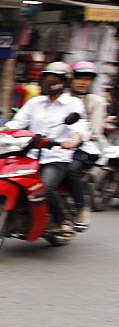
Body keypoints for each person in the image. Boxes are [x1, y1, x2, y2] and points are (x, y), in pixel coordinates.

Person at [0, 62, 88, 239]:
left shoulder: (73, 103)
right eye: (47, 78)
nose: (49, 82)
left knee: (44, 188)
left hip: (56, 156)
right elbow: (17, 122)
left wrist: (74, 140)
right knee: (4, 174)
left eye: (54, 79)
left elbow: (79, 126)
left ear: (64, 82)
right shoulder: (35, 102)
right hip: (29, 154)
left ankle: (63, 220)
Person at [68, 61, 108, 230]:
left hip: (85, 146)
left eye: (87, 78)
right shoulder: (61, 98)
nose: (83, 82)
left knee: (70, 169)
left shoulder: (96, 101)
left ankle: (81, 207)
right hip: (55, 143)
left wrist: (75, 137)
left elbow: (95, 130)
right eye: (79, 77)